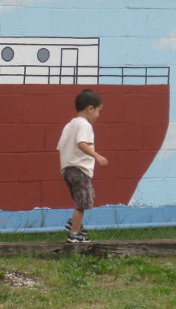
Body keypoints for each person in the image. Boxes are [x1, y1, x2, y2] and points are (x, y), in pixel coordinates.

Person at [57, 89, 108, 243]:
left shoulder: (69, 125)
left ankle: (75, 224)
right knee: (82, 203)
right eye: (99, 111)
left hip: (68, 169)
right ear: (90, 109)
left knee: (88, 196)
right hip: (79, 169)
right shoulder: (84, 125)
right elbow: (81, 143)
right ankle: (74, 234)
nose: (99, 115)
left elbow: (60, 146)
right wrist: (97, 156)